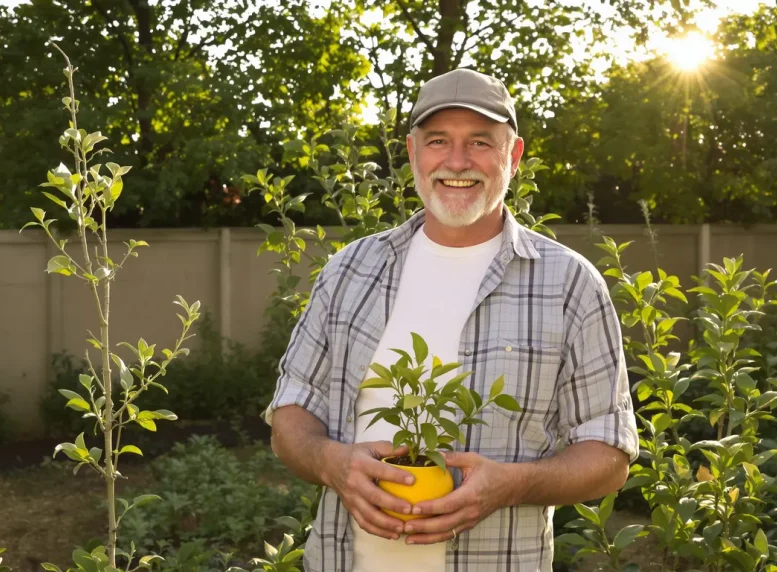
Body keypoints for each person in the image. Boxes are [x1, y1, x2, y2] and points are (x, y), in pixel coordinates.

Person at [264, 68, 638, 572]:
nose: (457, 162)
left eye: (480, 142)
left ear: (514, 155)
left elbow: (609, 454)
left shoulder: (571, 284)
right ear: (413, 153)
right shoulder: (350, 269)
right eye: (438, 140)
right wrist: (331, 463)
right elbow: (290, 413)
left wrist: (511, 485)